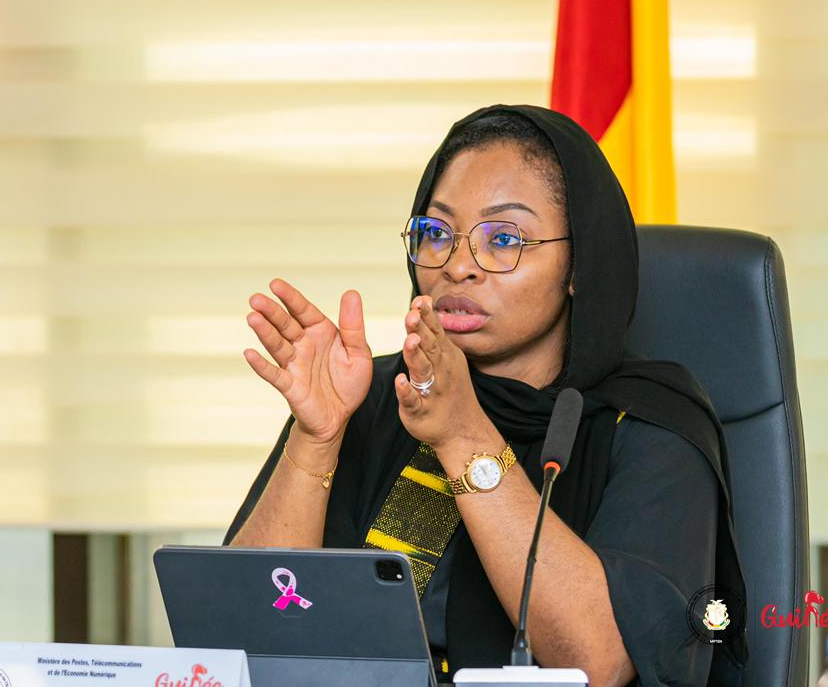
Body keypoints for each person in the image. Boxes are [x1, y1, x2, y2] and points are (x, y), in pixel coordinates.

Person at [224, 104, 747, 686]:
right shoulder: (367, 394)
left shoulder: (650, 425)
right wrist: (316, 437)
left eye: (503, 239)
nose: (458, 267)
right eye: (436, 234)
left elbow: (600, 663)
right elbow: (237, 640)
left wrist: (462, 434)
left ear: (579, 265)